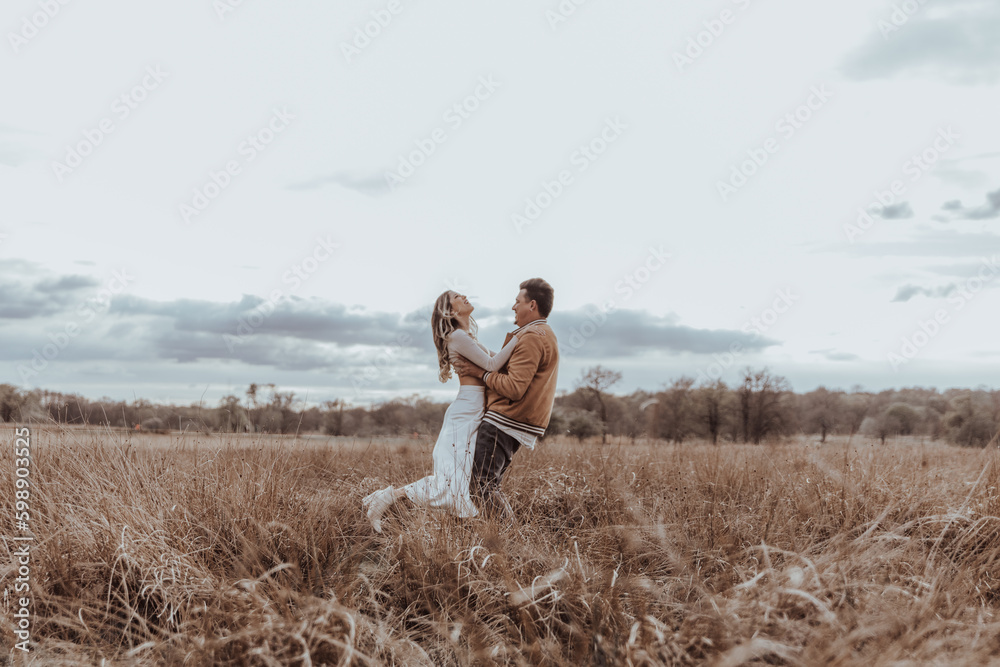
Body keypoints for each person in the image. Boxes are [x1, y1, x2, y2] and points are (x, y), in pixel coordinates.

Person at [362, 290, 531, 532]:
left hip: (474, 411)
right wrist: (520, 335)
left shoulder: (467, 337)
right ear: (450, 311)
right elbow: (494, 365)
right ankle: (387, 498)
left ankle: (471, 536)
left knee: (461, 482)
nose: (465, 296)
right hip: (466, 412)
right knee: (450, 483)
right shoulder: (457, 337)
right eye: (457, 296)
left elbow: (501, 365)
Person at [451, 278, 559, 521]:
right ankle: (502, 537)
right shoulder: (541, 333)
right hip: (514, 419)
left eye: (517, 302)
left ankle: (511, 538)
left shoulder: (532, 337)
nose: (513, 307)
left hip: (505, 420)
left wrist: (481, 373)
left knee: (480, 485)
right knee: (487, 484)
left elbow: (514, 388)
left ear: (532, 305)